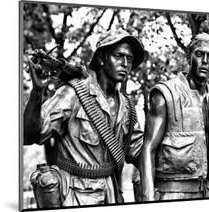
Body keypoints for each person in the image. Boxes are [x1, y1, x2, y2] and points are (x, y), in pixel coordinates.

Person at [24, 29, 145, 207]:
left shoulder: (127, 107)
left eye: (130, 58)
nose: (125, 63)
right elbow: (29, 136)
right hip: (74, 196)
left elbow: (140, 152)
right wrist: (37, 92)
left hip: (112, 195)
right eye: (119, 56)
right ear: (102, 58)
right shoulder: (73, 93)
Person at [140, 33, 209, 201]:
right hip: (173, 193)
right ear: (188, 57)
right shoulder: (166, 94)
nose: (205, 61)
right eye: (199, 54)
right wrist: (147, 197)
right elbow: (148, 149)